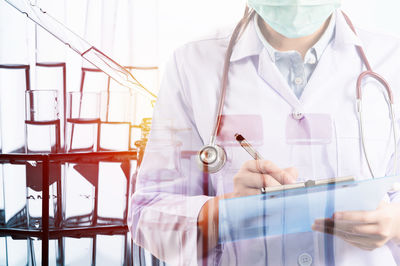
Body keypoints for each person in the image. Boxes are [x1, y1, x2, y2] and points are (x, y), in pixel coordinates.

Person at [128, 0, 400, 265]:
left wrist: (396, 222)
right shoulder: (193, 64)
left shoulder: (392, 59)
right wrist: (226, 214)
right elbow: (147, 214)